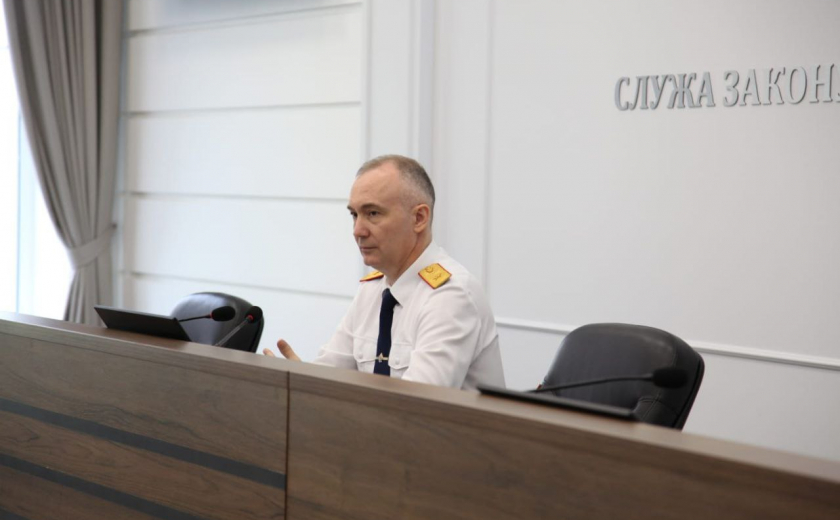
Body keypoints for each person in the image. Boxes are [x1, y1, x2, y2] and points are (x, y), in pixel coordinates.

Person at [264, 155, 505, 391]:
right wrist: (300, 385)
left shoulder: (451, 296)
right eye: (354, 214)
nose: (358, 230)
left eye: (373, 213)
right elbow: (331, 373)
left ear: (419, 218)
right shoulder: (372, 290)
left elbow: (416, 405)